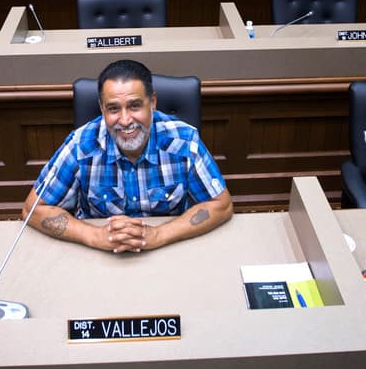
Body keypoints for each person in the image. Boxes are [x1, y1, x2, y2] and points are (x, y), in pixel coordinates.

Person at [23, 59, 233, 253]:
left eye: (134, 106)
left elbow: (221, 205)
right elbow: (33, 209)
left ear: (152, 103)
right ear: (101, 109)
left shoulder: (184, 140)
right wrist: (94, 235)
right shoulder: (81, 144)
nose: (124, 121)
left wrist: (159, 234)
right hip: (98, 256)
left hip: (169, 251)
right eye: (113, 109)